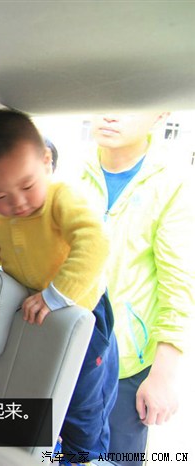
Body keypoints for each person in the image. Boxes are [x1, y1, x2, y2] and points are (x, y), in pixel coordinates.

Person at [0, 109, 117, 465]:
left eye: (27, 186)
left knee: (83, 401)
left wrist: (57, 295)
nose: (18, 203)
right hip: (35, 312)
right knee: (44, 389)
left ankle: (84, 457)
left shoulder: (61, 199)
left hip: (82, 313)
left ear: (46, 161)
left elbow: (96, 241)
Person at [79, 113, 195, 466]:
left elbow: (179, 284)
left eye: (127, 105)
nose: (110, 115)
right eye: (103, 102)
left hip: (126, 367)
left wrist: (162, 376)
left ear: (159, 113)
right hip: (68, 352)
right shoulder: (74, 172)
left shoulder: (173, 182)